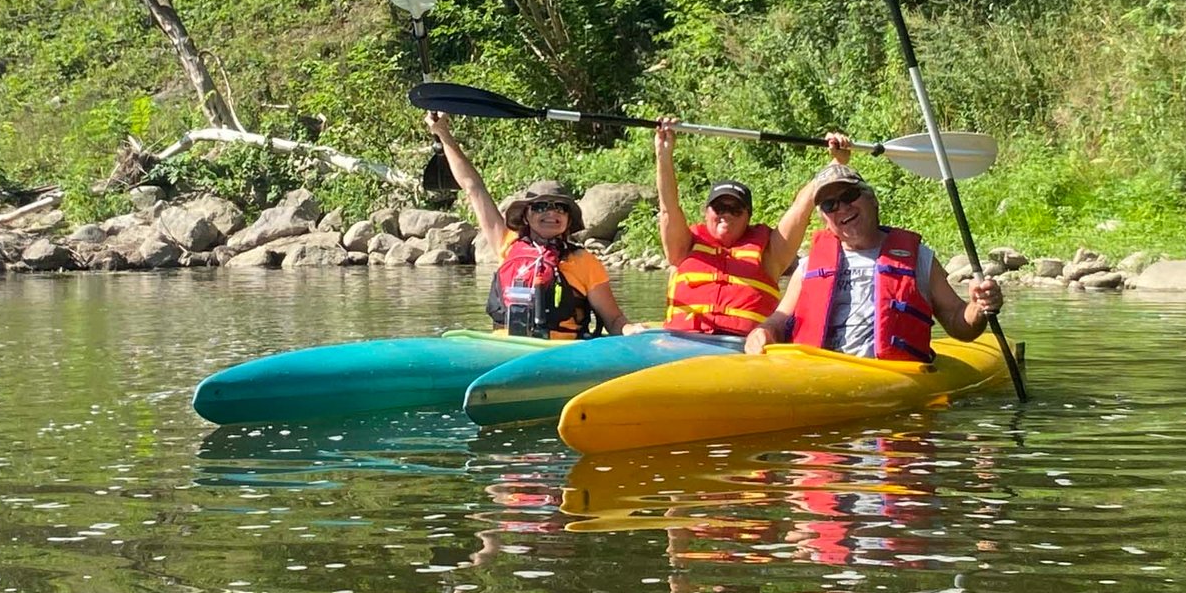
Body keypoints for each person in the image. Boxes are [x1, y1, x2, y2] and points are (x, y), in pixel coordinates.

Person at [744, 157, 1004, 360]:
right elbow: (779, 319)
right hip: (819, 371)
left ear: (872, 200)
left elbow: (960, 323)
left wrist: (979, 307)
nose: (842, 208)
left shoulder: (918, 259)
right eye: (829, 205)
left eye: (849, 196)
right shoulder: (810, 265)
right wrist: (763, 331)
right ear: (825, 219)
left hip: (884, 374)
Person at [425, 111, 635, 338]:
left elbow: (614, 320)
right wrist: (443, 133)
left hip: (559, 353)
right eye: (541, 206)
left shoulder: (585, 262)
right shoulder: (506, 244)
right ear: (526, 216)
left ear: (568, 219)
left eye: (560, 207)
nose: (551, 212)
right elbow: (473, 188)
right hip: (506, 348)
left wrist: (631, 330)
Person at [653, 118, 844, 338]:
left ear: (748, 218)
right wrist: (663, 153)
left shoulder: (770, 254)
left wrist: (835, 164)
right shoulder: (684, 246)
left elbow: (801, 208)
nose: (726, 214)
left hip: (740, 348)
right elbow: (668, 206)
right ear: (706, 212)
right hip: (682, 341)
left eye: (736, 210)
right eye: (719, 207)